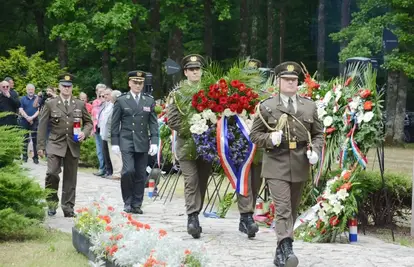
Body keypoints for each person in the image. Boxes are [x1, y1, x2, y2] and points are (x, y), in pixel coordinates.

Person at [249, 61, 324, 267]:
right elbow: (254, 135)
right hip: (276, 161)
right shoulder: (267, 106)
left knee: (291, 209)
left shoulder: (308, 105)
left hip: (300, 161)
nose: (291, 84)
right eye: (287, 80)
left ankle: (279, 254)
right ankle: (288, 248)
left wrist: (315, 151)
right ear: (278, 81)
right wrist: (269, 139)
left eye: (294, 80)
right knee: (282, 208)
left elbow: (318, 134)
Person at [166, 54, 213, 239]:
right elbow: (173, 120)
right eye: (191, 69)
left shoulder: (209, 92)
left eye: (198, 69)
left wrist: (207, 128)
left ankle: (196, 212)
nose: (195, 72)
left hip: (206, 146)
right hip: (186, 144)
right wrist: (194, 127)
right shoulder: (177, 94)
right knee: (191, 181)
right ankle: (192, 217)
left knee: (201, 182)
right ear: (185, 72)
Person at [37, 74, 93, 217]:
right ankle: (51, 203)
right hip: (55, 143)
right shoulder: (51, 103)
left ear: (72, 88)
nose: (66, 89)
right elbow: (42, 126)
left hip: (73, 144)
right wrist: (40, 146)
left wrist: (84, 133)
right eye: (64, 86)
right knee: (52, 173)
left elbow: (88, 123)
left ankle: (68, 207)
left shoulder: (79, 104)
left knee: (70, 178)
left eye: (69, 86)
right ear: (59, 87)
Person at [111, 71, 159, 214]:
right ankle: (127, 201)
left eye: (140, 83)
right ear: (130, 83)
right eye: (135, 82)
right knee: (128, 171)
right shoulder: (121, 100)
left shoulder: (149, 100)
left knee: (140, 174)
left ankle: (137, 203)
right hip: (126, 140)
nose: (138, 85)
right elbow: (115, 123)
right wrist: (115, 142)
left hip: (142, 140)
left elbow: (153, 123)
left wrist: (155, 141)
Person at [236, 58, 264, 238]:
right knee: (244, 183)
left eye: (254, 73)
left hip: (259, 148)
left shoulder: (264, 95)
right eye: (248, 73)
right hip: (241, 148)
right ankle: (247, 217)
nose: (252, 76)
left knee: (255, 184)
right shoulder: (235, 95)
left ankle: (245, 218)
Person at [19, 83, 41, 164]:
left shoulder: (38, 99)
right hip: (24, 121)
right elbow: (21, 109)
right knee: (25, 139)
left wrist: (32, 118)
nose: (30, 91)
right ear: (26, 90)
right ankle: (25, 157)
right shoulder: (22, 99)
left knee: (35, 140)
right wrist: (27, 117)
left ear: (34, 90)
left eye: (32, 89)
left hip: (34, 121)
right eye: (29, 89)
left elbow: (39, 110)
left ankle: (35, 158)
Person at [106, 90, 123, 179]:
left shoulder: (117, 106)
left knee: (115, 154)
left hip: (115, 135)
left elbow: (116, 123)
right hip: (110, 134)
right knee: (114, 154)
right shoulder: (111, 106)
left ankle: (117, 173)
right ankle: (117, 172)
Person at [92, 84, 107, 176]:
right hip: (96, 128)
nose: (100, 93)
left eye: (102, 92)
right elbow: (93, 116)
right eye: (98, 91)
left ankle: (104, 169)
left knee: (104, 149)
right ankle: (101, 168)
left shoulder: (106, 103)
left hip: (103, 129)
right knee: (99, 150)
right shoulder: (95, 102)